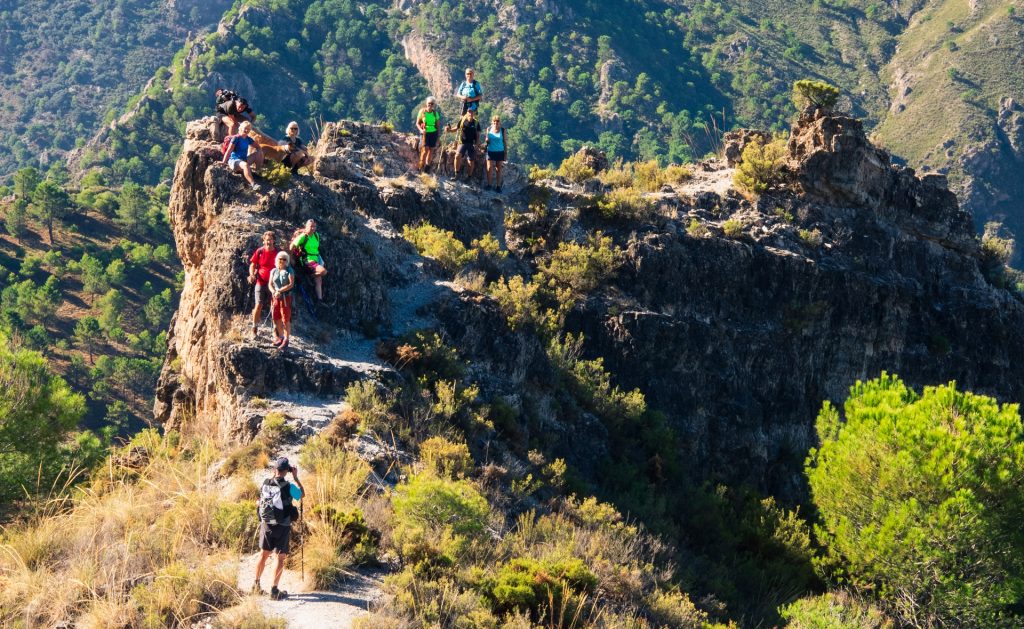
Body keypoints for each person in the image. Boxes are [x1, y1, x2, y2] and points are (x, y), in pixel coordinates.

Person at [254, 457, 305, 600]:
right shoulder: (288, 486)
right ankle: (274, 590)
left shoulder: (265, 483)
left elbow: (259, 501)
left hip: (266, 524)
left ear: (275, 469)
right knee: (280, 558)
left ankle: (256, 585)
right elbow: (302, 495)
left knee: (263, 555)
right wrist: (296, 478)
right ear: (287, 471)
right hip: (282, 525)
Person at [248, 231, 279, 339]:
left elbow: (284, 266)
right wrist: (252, 274)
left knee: (274, 307)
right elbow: (253, 264)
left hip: (274, 284)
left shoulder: (278, 253)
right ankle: (254, 329)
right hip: (260, 282)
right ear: (263, 240)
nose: (268, 241)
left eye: (270, 239)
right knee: (258, 305)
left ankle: (275, 331)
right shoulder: (260, 251)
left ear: (273, 241)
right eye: (266, 240)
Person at [291, 219, 327, 302]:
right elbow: (291, 246)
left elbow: (315, 249)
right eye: (311, 226)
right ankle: (309, 276)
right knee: (323, 271)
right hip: (307, 259)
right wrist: (291, 258)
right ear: (306, 227)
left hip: (316, 258)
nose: (313, 228)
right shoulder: (303, 236)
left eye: (314, 226)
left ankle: (319, 300)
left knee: (319, 280)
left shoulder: (316, 235)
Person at [222, 121, 264, 190]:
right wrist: (223, 162)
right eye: (245, 128)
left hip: (244, 159)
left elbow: (258, 147)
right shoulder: (236, 138)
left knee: (259, 153)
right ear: (240, 128)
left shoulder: (248, 139)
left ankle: (257, 172)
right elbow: (229, 151)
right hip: (235, 161)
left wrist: (259, 152)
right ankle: (253, 184)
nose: (246, 130)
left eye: (248, 129)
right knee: (245, 165)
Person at [446, 109, 481, 181]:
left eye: (472, 111)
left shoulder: (476, 123)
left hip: (472, 144)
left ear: (474, 113)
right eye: (469, 111)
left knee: (471, 160)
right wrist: (449, 130)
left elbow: (478, 136)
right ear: (467, 112)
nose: (470, 113)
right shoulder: (462, 120)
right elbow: (456, 129)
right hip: (462, 142)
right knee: (457, 155)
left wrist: (477, 145)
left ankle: (469, 177)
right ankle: (456, 174)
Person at [269, 251, 295, 349]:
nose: (282, 261)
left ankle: (286, 340)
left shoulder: (290, 271)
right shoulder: (274, 271)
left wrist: (279, 291)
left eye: (284, 259)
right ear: (277, 259)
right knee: (275, 317)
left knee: (286, 318)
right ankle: (280, 337)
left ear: (287, 260)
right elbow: (270, 284)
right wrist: (273, 292)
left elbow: (291, 284)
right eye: (280, 259)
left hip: (285, 298)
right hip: (275, 297)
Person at [416, 97, 442, 172]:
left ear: (434, 104)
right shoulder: (422, 112)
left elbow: (437, 125)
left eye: (432, 103)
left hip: (433, 133)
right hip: (425, 133)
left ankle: (427, 168)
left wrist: (438, 136)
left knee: (431, 150)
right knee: (425, 150)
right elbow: (417, 123)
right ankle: (420, 167)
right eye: (429, 103)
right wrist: (421, 130)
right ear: (426, 103)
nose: (430, 105)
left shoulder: (435, 113)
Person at [484, 115, 507, 192]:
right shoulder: (489, 129)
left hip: (500, 151)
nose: (496, 123)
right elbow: (486, 138)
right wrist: (487, 139)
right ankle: (489, 185)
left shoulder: (503, 130)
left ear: (499, 122)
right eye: (494, 121)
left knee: (499, 169)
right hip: (490, 151)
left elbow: (505, 142)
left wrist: (505, 154)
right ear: (492, 122)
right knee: (489, 168)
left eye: (497, 122)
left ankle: (498, 186)